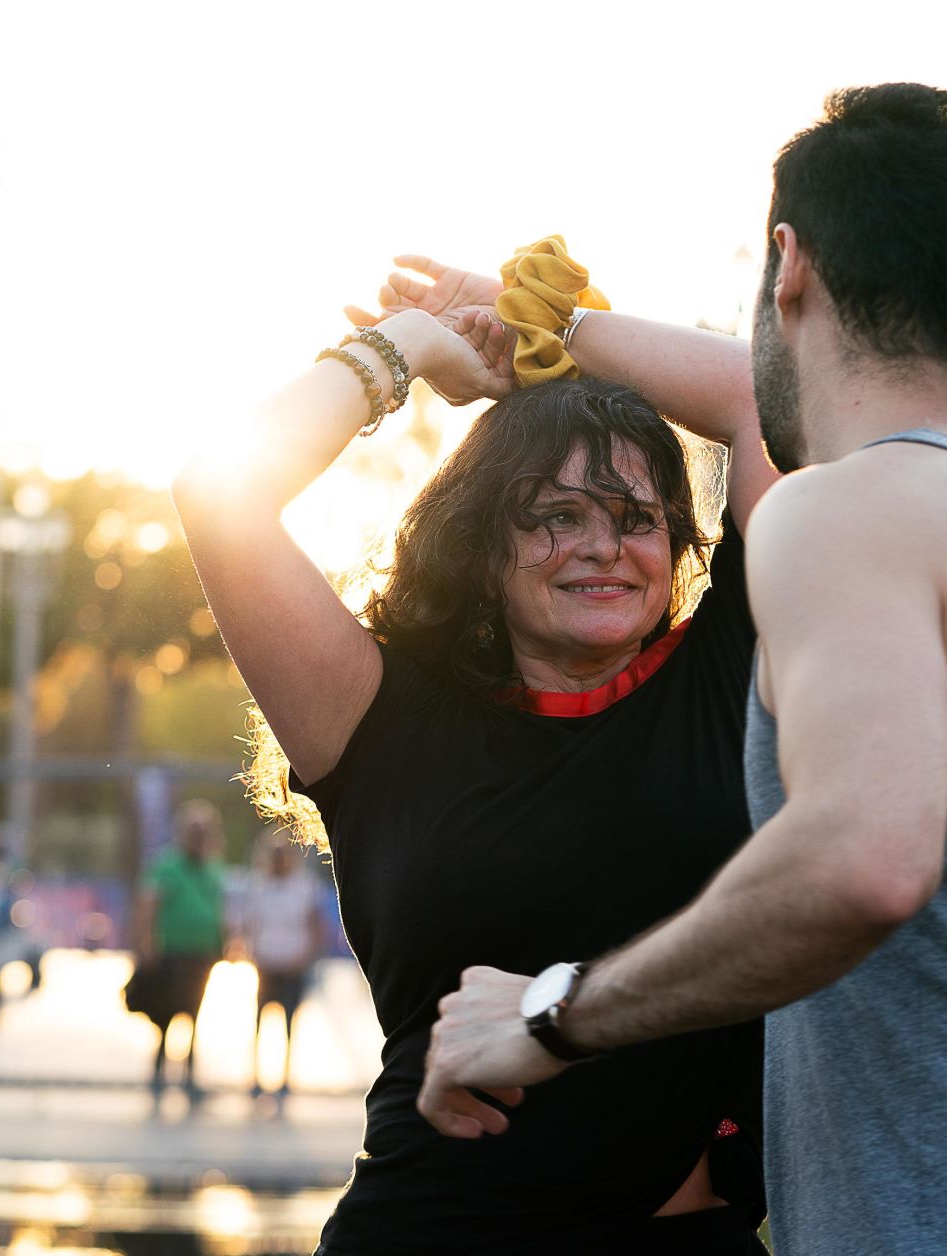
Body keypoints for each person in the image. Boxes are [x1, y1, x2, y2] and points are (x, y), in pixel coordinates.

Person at [418, 84, 947, 1254]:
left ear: (787, 265)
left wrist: (547, 1012)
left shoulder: (844, 515)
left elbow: (861, 862)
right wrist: (541, 328)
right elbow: (753, 401)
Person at [175, 240, 779, 1253]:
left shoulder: (726, 671)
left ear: (677, 540)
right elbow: (218, 495)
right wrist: (415, 344)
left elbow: (770, 402)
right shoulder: (378, 715)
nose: (601, 545)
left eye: (637, 518)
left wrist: (555, 325)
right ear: (481, 545)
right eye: (555, 515)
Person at [135, 798, 228, 1102]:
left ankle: (189, 1076)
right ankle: (159, 1074)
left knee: (195, 1014)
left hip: (202, 954)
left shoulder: (213, 868)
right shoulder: (167, 866)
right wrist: (146, 945)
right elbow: (148, 907)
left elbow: (219, 909)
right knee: (166, 1015)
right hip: (172, 952)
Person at [231, 828, 326, 1101]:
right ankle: (256, 1077)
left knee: (288, 1024)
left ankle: (284, 1078)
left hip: (292, 964)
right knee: (259, 1023)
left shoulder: (305, 886)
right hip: (265, 964)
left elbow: (315, 925)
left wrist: (306, 956)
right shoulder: (258, 885)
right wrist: (246, 952)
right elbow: (247, 923)